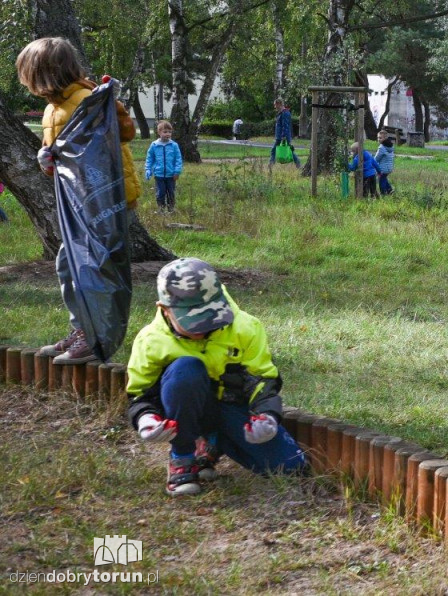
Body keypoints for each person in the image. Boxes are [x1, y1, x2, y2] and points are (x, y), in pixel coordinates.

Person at [126, 258, 307, 496]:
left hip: (230, 407)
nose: (202, 329)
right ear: (165, 309)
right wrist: (145, 418)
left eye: (210, 317)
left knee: (290, 465)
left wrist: (268, 416)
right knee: (186, 370)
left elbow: (262, 379)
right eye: (193, 322)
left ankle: (213, 441)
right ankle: (183, 456)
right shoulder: (150, 341)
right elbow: (140, 392)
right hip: (184, 410)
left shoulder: (246, 327)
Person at [19, 37, 141, 366]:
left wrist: (111, 105)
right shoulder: (52, 109)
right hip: (81, 201)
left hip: (104, 200)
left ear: (42, 74)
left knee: (92, 266)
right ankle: (83, 330)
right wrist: (47, 160)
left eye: (27, 74)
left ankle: (94, 334)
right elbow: (65, 159)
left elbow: (123, 135)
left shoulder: (86, 98)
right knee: (69, 264)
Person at [145, 120, 184, 215]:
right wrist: (148, 169)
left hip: (171, 175)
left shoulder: (174, 145)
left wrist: (177, 171)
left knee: (171, 192)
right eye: (165, 131)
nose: (168, 134)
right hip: (159, 175)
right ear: (159, 132)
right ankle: (161, 209)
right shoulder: (154, 145)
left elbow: (178, 159)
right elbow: (150, 158)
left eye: (170, 132)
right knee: (160, 193)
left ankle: (171, 209)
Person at [270, 98, 300, 169]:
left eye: (275, 105)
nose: (275, 107)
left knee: (274, 151)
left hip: (282, 136)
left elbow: (285, 125)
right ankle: (298, 165)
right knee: (289, 151)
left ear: (279, 104)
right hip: (280, 136)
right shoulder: (281, 113)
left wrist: (283, 136)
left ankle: (271, 165)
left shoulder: (285, 113)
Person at [374, 130, 395, 195]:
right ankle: (390, 190)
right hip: (389, 167)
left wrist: (371, 162)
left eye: (380, 138)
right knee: (384, 178)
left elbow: (376, 159)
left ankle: (383, 194)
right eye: (378, 137)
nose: (378, 139)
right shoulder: (390, 146)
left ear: (385, 138)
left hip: (382, 169)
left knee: (381, 181)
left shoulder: (381, 147)